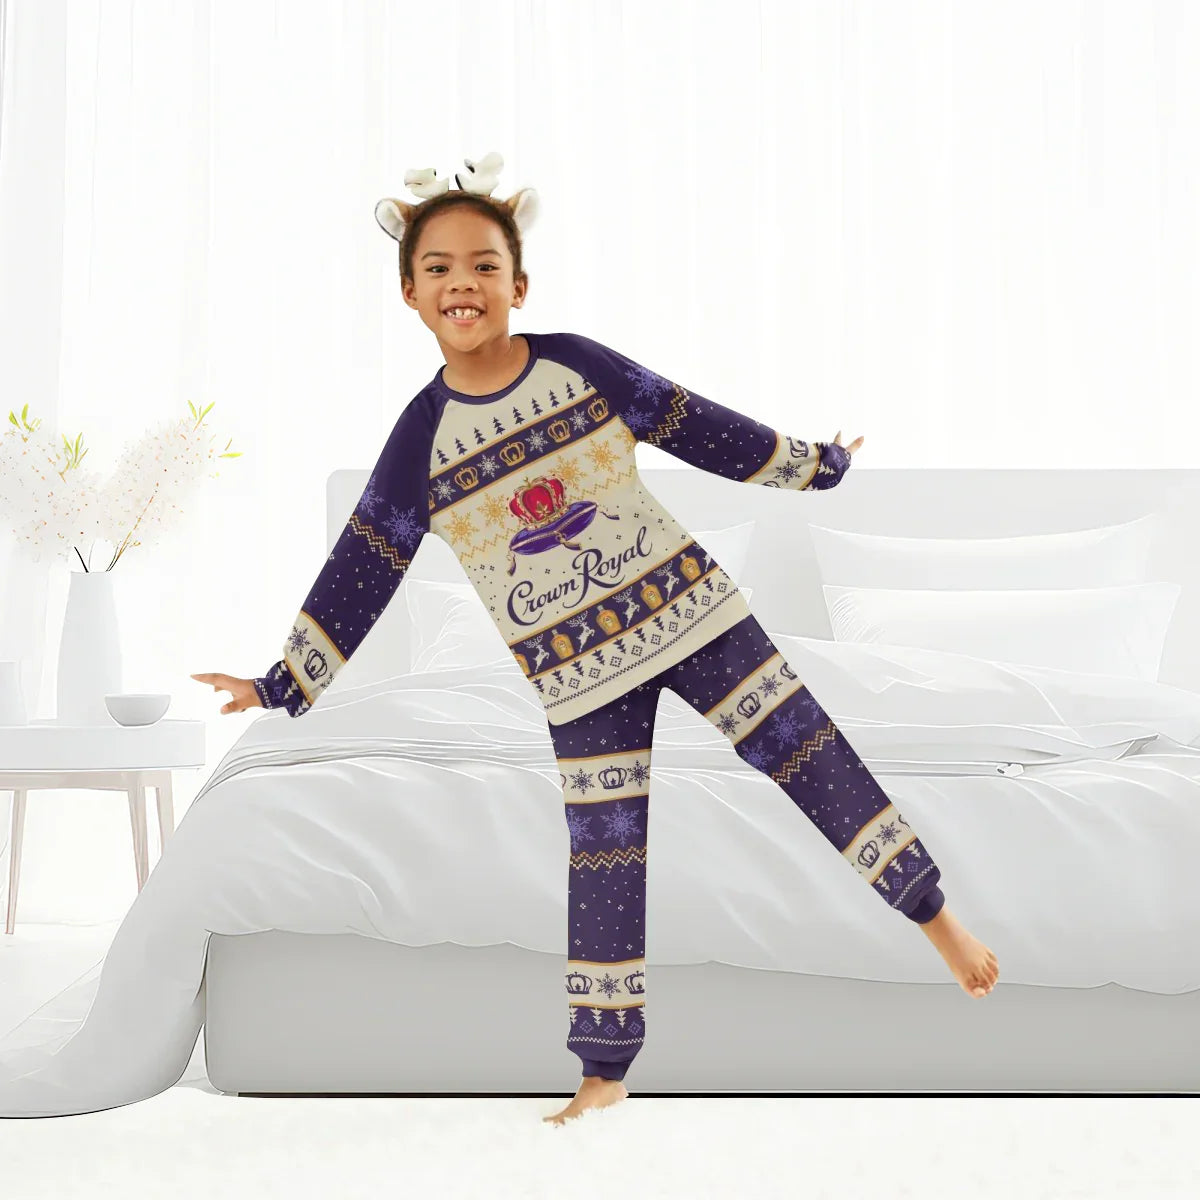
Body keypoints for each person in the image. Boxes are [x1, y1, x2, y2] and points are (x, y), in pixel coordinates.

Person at [192, 152, 998, 1127]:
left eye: (485, 265)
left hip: (697, 617)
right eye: (440, 267)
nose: (463, 283)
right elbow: (365, 569)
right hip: (580, 679)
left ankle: (936, 920)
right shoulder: (420, 442)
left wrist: (813, 467)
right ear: (408, 293)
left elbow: (700, 426)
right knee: (604, 851)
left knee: (811, 756)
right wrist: (283, 682)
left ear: (519, 284)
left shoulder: (579, 365)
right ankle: (605, 1065)